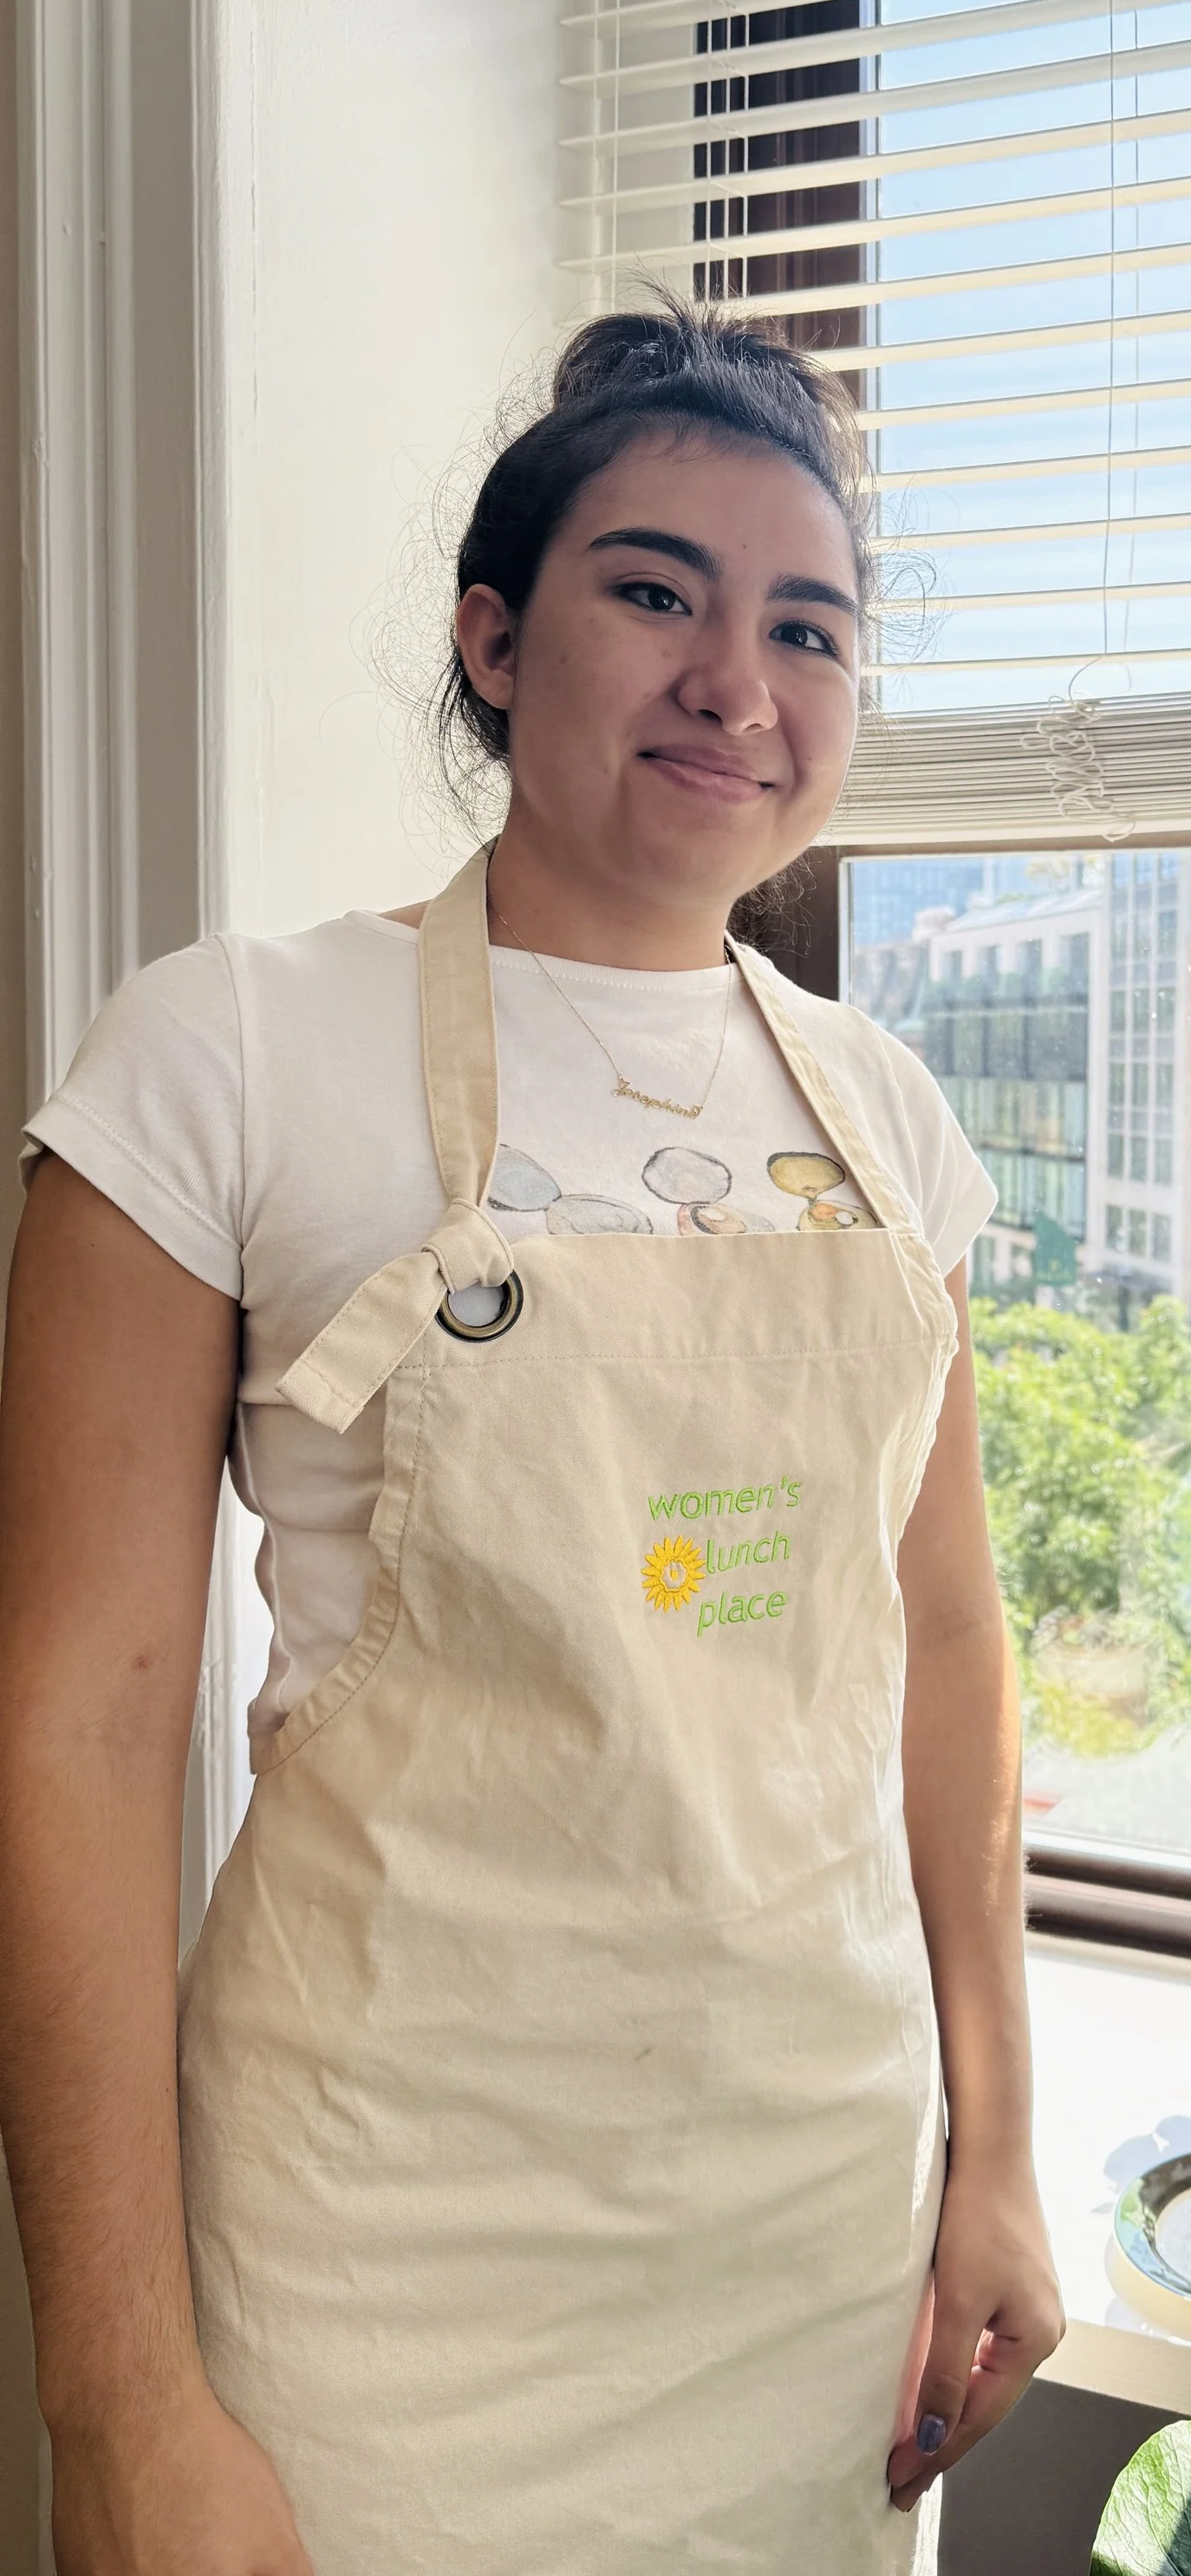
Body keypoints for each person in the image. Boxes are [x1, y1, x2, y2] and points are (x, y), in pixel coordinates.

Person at [0, 305, 1064, 2573]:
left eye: (810, 625)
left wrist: (993, 2151)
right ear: (492, 637)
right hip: (386, 2242)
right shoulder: (230, 1055)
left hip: (810, 2221)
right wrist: (116, 2398)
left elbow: (945, 1642)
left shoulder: (884, 1116)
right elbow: (70, 1732)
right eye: (654, 588)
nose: (735, 677)